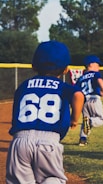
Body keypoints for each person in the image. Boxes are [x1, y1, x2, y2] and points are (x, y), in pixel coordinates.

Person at [6, 41, 84, 184]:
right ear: (66, 69)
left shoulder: (23, 86)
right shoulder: (62, 86)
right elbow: (78, 95)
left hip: (20, 140)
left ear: (33, 66)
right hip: (49, 140)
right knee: (53, 178)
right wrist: (74, 119)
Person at [75, 55, 103, 146]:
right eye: (97, 64)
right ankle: (90, 121)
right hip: (94, 99)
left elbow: (76, 91)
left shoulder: (81, 78)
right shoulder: (95, 73)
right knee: (100, 120)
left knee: (85, 121)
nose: (98, 67)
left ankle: (83, 139)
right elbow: (99, 80)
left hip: (84, 101)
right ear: (90, 65)